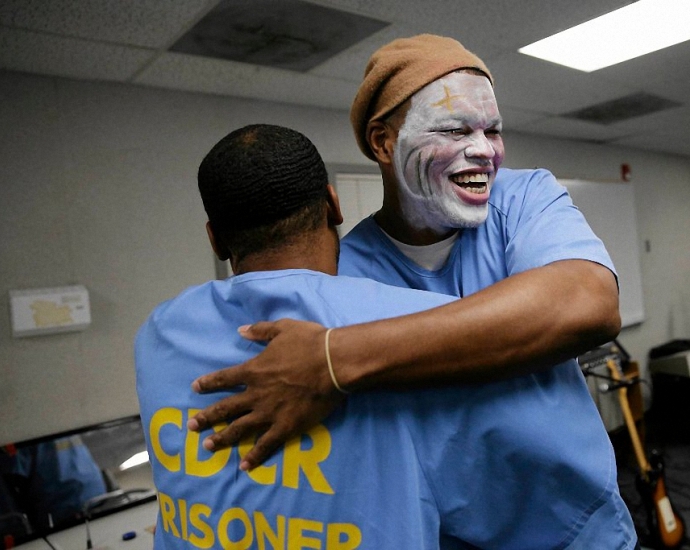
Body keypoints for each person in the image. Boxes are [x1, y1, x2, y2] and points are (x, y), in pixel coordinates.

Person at [189, 36, 635, 548]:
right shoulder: (345, 269)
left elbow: (588, 304)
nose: (484, 151)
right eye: (454, 129)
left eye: (492, 130)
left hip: (577, 528)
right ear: (382, 142)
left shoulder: (524, 197)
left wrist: (337, 357)